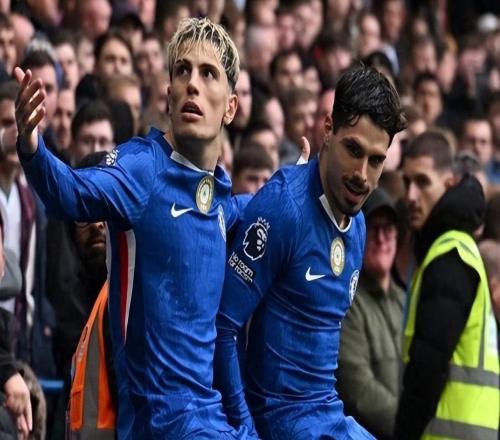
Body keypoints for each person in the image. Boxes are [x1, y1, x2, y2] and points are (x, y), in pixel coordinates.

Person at [14, 17, 254, 439]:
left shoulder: (216, 195)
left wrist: (304, 184)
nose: (192, 84)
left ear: (231, 107)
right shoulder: (142, 168)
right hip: (158, 425)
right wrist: (33, 144)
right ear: (169, 96)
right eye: (182, 71)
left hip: (209, 417)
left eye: (208, 73)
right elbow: (70, 192)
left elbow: (242, 209)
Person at [214, 65, 406, 439]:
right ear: (328, 129)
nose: (362, 174)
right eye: (354, 150)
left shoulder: (358, 226)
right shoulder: (284, 208)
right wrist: (244, 426)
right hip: (277, 421)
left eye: (376, 160)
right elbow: (223, 326)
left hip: (327, 415)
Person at [396, 131, 499, 439]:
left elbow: (427, 368)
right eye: (406, 182)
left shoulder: (449, 256)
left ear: (449, 183)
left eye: (423, 182)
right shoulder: (454, 248)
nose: (411, 195)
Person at [337, 188, 404, 440]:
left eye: (388, 228)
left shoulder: (404, 299)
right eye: (373, 228)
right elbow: (358, 390)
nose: (382, 238)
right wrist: (411, 425)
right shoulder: (347, 302)